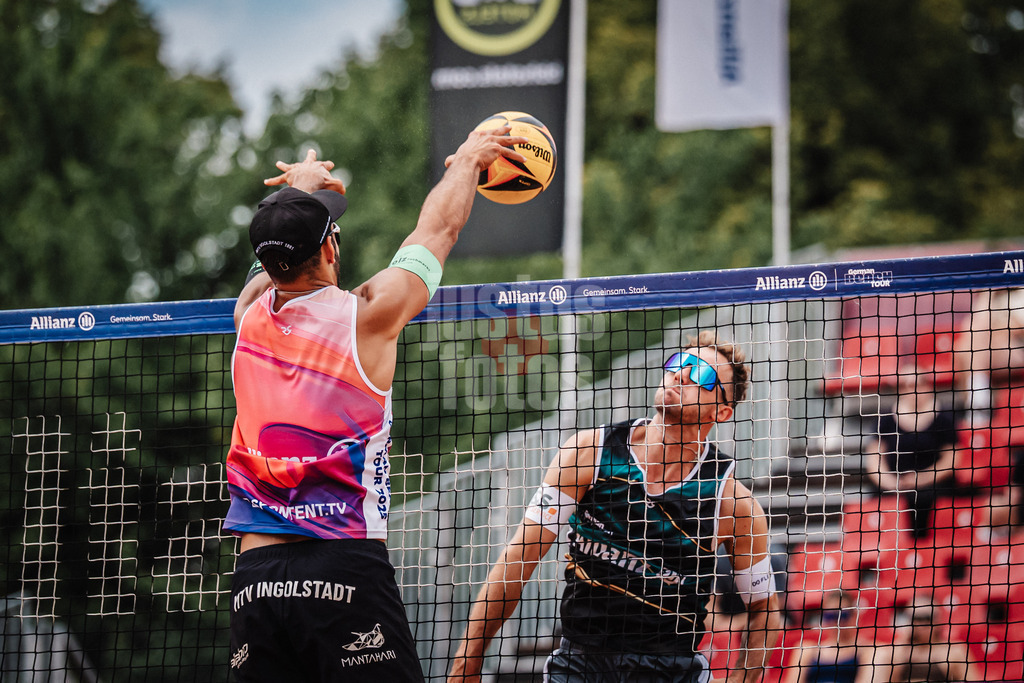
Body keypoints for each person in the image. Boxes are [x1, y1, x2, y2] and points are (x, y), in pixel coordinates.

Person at [224, 127, 528, 683]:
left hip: (255, 577)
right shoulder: (367, 315)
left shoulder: (248, 317)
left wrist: (300, 194)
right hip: (341, 564)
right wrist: (467, 161)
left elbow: (272, 268)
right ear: (331, 248)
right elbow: (440, 228)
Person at [448, 333, 781, 683]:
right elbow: (516, 562)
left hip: (670, 670)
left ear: (722, 411)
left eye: (702, 376)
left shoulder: (733, 503)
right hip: (580, 664)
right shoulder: (589, 453)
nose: (681, 375)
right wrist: (464, 668)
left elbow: (763, 607)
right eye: (678, 364)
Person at [862, 363, 960, 538]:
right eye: (907, 385)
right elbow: (874, 460)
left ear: (928, 386)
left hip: (932, 485)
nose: (913, 390)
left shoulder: (944, 418)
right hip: (894, 486)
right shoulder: (885, 420)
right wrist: (892, 482)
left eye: (918, 384)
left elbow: (952, 459)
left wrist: (922, 479)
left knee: (924, 500)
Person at [782, 591, 876, 683]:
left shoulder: (866, 651)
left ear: (854, 616)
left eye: (842, 615)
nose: (835, 622)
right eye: (830, 616)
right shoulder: (807, 651)